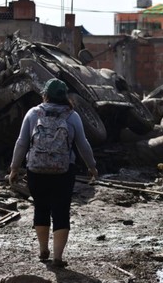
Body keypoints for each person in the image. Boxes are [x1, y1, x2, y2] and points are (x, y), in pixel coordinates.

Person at [8, 78, 98, 268]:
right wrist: (92, 167)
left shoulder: (33, 113)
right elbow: (83, 144)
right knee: (61, 211)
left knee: (41, 208)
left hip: (36, 170)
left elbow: (22, 142)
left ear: (45, 94)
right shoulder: (72, 116)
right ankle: (58, 257)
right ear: (65, 96)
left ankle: (43, 250)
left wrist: (14, 167)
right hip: (63, 172)